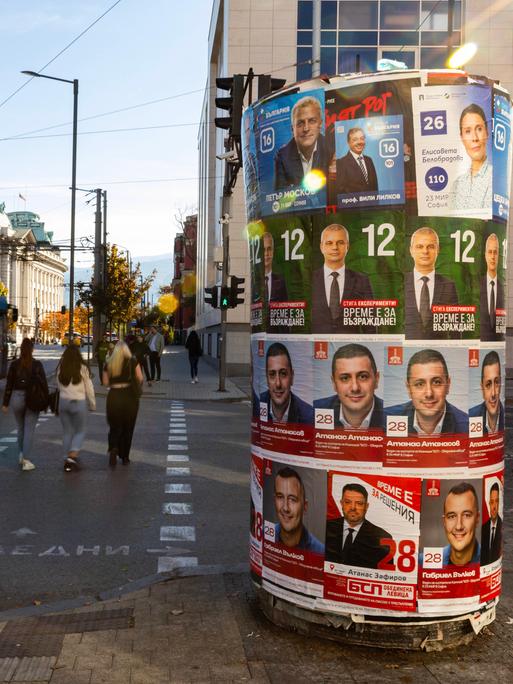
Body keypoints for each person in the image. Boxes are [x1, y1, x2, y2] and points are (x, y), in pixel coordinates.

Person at [387, 349, 468, 435]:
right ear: (408, 388)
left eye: (436, 382)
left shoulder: (467, 427)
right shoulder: (387, 420)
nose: (429, 394)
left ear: (448, 385)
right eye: (419, 384)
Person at [312, 224, 374, 333]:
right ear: (321, 247)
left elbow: (370, 326)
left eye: (340, 242)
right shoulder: (310, 280)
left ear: (347, 246)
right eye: (329, 243)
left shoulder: (362, 281)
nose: (335, 247)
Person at [2, 338, 48, 471]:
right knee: (29, 430)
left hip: (16, 398)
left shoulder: (14, 364)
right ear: (32, 350)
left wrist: (5, 403)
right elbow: (44, 385)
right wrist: (45, 403)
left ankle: (21, 455)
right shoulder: (37, 365)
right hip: (32, 398)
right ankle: (26, 460)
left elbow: (9, 384)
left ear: (21, 350)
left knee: (20, 428)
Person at [405, 227, 459, 339]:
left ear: (438, 250)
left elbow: (455, 331)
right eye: (420, 246)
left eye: (430, 246)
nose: (425, 251)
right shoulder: (401, 283)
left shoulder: (449, 286)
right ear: (411, 250)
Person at [314, 344, 384, 429]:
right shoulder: (314, 411)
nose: (355, 388)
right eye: (345, 378)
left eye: (363, 376)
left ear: (376, 380)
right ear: (334, 383)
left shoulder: (391, 414)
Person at [325, 483, 392, 568]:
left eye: (359, 503)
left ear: (366, 506)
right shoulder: (326, 527)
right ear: (341, 503)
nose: (353, 507)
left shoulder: (382, 538)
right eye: (347, 502)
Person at [274, 95, 330, 190]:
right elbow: (281, 195)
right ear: (293, 129)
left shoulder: (331, 148)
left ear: (320, 124)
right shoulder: (282, 156)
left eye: (312, 121)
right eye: (300, 123)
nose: (306, 128)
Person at [103, 341, 143, 467]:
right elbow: (140, 378)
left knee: (115, 426)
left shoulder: (109, 362)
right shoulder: (133, 361)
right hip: (129, 396)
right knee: (128, 427)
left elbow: (105, 382)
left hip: (114, 395)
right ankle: (125, 456)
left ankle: (114, 447)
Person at [57, 345, 96, 472]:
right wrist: (92, 403)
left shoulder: (61, 367)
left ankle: (65, 458)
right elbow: (89, 387)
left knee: (67, 431)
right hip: (78, 401)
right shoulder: (83, 368)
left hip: (63, 402)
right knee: (80, 430)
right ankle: (72, 455)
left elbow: (57, 385)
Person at [448, 103, 492, 211]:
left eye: (479, 129)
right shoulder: (457, 185)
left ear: (487, 132)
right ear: (462, 137)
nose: (474, 138)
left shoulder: (495, 177)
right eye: (468, 131)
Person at [273, 467, 324, 553]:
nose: (285, 508)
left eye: (292, 499)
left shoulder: (319, 551)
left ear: (305, 506)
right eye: (280, 497)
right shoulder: (263, 535)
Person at [259, 342, 313, 424]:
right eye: (272, 374)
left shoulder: (308, 416)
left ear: (292, 377)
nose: (278, 384)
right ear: (267, 379)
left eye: (283, 374)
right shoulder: (258, 404)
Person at [441, 482, 480, 567]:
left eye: (467, 515)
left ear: (477, 518)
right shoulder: (421, 562)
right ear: (444, 521)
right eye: (452, 516)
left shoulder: (489, 558)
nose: (459, 526)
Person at [335, 126, 378, 195]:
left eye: (362, 139)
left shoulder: (369, 160)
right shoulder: (341, 163)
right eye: (355, 139)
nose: (360, 142)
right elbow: (341, 191)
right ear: (348, 143)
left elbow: (375, 188)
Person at [469, 351, 504, 435]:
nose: (493, 393)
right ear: (482, 388)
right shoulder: (471, 416)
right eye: (488, 384)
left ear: (500, 384)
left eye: (496, 382)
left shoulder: (507, 417)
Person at [480, 233, 505, 340]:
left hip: (498, 342)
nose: (493, 257)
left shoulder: (502, 288)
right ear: (485, 255)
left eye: (495, 252)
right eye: (490, 252)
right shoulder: (477, 285)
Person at [481, 482, 502, 565]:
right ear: (489, 504)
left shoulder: (501, 526)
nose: (494, 507)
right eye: (492, 502)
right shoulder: (483, 528)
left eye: (496, 501)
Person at [263, 232, 288, 302]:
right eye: (263, 249)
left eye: (269, 249)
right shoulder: (256, 282)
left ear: (273, 251)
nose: (266, 254)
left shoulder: (281, 282)